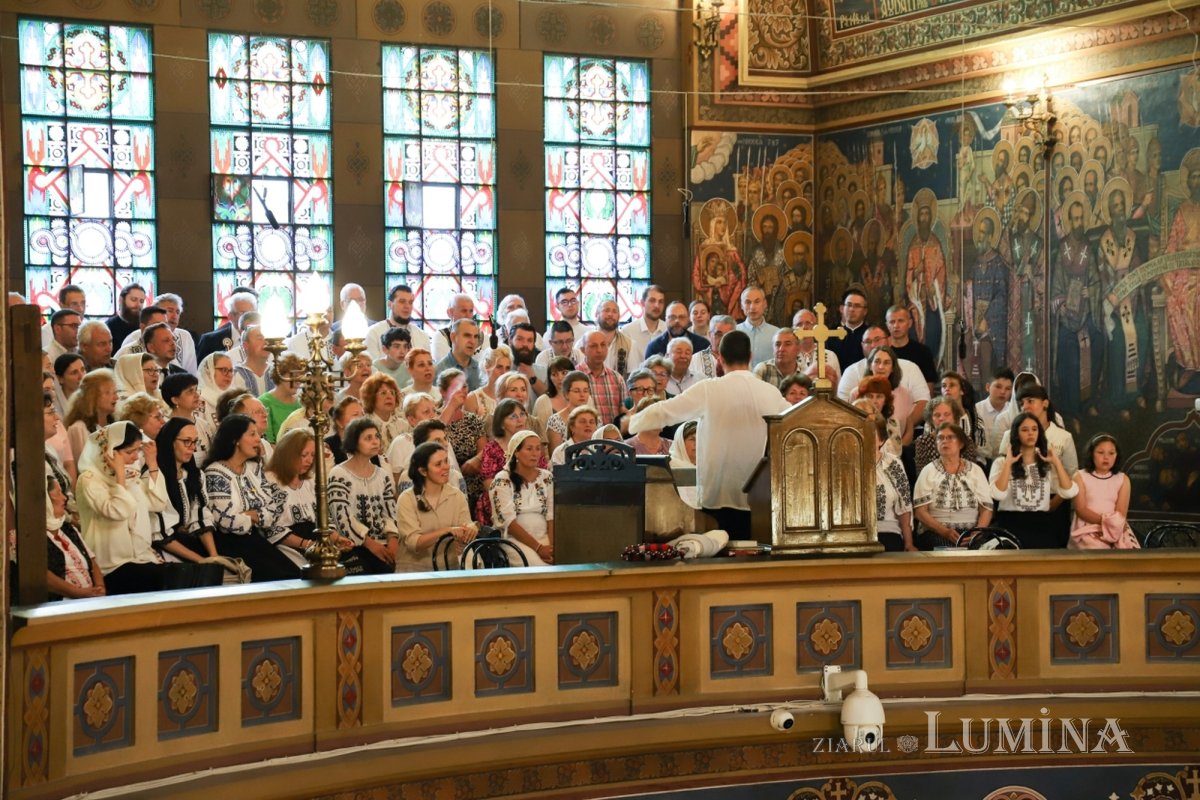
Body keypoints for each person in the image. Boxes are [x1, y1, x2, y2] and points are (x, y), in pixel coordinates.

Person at [628, 330, 790, 532]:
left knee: (717, 551)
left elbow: (667, 410)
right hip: (755, 495)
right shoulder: (770, 393)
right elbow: (794, 421)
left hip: (716, 493)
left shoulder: (709, 389)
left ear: (719, 359)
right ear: (750, 357)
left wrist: (633, 422)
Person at [76, 420, 175, 594]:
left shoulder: (131, 475)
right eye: (130, 452)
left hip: (137, 558)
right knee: (171, 579)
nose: (136, 457)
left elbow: (157, 503)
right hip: (110, 564)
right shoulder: (89, 479)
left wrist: (152, 464)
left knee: (196, 576)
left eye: (138, 450)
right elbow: (117, 511)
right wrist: (120, 475)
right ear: (109, 451)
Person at [202, 414, 302, 582]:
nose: (258, 439)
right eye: (252, 434)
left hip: (257, 538)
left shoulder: (254, 468)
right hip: (232, 544)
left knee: (293, 575)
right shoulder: (216, 472)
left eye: (258, 434)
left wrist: (249, 515)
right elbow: (227, 522)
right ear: (235, 439)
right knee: (281, 578)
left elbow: (273, 509)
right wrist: (257, 516)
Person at [989, 412, 1078, 548]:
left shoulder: (1047, 463)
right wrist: (1008, 463)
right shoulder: (1001, 463)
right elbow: (997, 494)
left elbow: (1069, 492)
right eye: (1025, 430)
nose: (1031, 433)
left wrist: (1056, 461)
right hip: (1009, 525)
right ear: (1016, 434)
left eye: (1034, 429)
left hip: (1041, 525)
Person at [152, 418, 225, 582]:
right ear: (170, 441)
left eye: (195, 442)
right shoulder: (156, 477)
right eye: (186, 442)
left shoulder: (194, 474)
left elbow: (199, 517)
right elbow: (160, 535)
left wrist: (213, 556)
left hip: (185, 538)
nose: (192, 448)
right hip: (162, 545)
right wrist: (201, 560)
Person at [396, 442, 477, 572]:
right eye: (438, 464)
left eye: (446, 461)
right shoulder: (407, 499)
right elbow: (413, 543)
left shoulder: (457, 495)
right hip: (415, 571)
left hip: (451, 568)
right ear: (423, 471)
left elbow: (465, 525)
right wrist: (447, 530)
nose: (446, 467)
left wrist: (470, 529)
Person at [912, 423, 994, 550]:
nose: (945, 441)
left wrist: (976, 533)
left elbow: (986, 509)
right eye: (940, 438)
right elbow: (920, 512)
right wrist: (945, 532)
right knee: (946, 550)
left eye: (950, 437)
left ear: (961, 444)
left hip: (971, 533)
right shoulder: (928, 471)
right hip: (936, 532)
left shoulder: (975, 471)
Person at [490, 430, 555, 566]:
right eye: (529, 449)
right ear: (516, 452)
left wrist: (552, 547)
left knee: (564, 564)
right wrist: (538, 548)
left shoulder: (547, 477)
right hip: (514, 540)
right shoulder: (503, 479)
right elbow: (508, 522)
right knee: (540, 568)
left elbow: (551, 515)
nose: (535, 453)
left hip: (545, 538)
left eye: (538, 449)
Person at [476, 398, 545, 525]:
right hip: (501, 499)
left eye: (522, 414)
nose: (520, 420)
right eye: (513, 416)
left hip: (532, 497)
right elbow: (489, 484)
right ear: (502, 424)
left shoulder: (534, 443)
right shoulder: (492, 448)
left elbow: (543, 475)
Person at [263, 428, 323, 568]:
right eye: (304, 455)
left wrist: (336, 539)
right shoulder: (270, 481)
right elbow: (271, 529)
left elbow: (324, 518)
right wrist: (307, 544)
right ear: (288, 454)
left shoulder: (311, 481)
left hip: (315, 539)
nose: (309, 460)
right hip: (287, 545)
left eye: (313, 455)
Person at [1070, 434, 1140, 550]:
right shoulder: (1080, 476)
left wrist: (1111, 527)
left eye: (1111, 453)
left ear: (1116, 456)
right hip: (1087, 529)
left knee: (1132, 556)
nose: (1106, 457)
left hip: (1116, 528)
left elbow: (1121, 513)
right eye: (1101, 452)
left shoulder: (1123, 479)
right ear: (1091, 454)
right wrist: (1105, 525)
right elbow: (1081, 510)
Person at [44, 476, 107, 600]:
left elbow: (92, 561)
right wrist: (79, 593)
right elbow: (42, 577)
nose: (64, 498)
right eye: (58, 493)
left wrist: (99, 587)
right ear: (45, 501)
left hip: (90, 598)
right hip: (61, 604)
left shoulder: (68, 529)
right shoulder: (34, 536)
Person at [437, 369, 487, 504]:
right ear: (442, 391)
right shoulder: (433, 416)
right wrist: (451, 405)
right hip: (443, 479)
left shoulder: (473, 420)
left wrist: (476, 459)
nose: (462, 391)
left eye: (464, 386)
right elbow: (434, 435)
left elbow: (484, 450)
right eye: (456, 387)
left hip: (473, 482)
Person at [873, 416, 914, 552]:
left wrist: (909, 543)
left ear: (881, 440)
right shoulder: (845, 464)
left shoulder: (893, 463)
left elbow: (904, 505)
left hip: (887, 532)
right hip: (854, 536)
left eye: (870, 434)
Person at [64, 368, 119, 464]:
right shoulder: (79, 428)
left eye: (115, 392)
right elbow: (83, 466)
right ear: (92, 396)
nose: (116, 397)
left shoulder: (115, 424)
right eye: (108, 393)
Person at [366, 283, 431, 360]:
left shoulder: (422, 336)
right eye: (402, 301)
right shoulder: (374, 333)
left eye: (410, 302)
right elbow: (372, 367)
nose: (407, 306)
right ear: (390, 304)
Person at [913, 397, 976, 475]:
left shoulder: (965, 440)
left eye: (947, 414)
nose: (942, 418)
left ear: (955, 417)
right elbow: (922, 473)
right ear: (931, 419)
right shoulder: (923, 442)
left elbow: (972, 471)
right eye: (937, 415)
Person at [197, 288, 257, 362]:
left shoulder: (265, 339)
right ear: (230, 316)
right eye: (243, 313)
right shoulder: (210, 341)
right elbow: (201, 371)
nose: (249, 318)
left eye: (252, 313)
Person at [546, 370, 593, 453]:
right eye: (577, 391)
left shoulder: (595, 419)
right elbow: (554, 455)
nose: (582, 395)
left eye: (585, 391)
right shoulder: (555, 420)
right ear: (566, 394)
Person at [469, 345, 514, 430]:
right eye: (499, 367)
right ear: (487, 366)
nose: (504, 372)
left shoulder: (513, 398)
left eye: (507, 368)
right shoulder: (473, 399)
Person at [644, 301, 709, 359]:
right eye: (672, 317)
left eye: (681, 317)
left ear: (688, 319)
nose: (677, 321)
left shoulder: (703, 345)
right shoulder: (654, 347)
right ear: (665, 320)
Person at [620, 285, 667, 363]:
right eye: (652, 300)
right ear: (642, 303)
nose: (657, 305)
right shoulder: (628, 331)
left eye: (660, 302)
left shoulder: (668, 330)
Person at [975, 367, 1014, 461]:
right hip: (981, 461)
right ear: (988, 387)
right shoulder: (976, 410)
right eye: (998, 387)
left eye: (1008, 388)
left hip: (1007, 460)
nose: (1003, 392)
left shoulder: (1013, 411)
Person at [736, 286, 780, 368]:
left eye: (757, 302)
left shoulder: (776, 334)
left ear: (765, 304)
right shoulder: (734, 332)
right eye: (748, 302)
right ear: (741, 305)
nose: (752, 307)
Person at [361, 372, 407, 451]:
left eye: (392, 393)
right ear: (371, 397)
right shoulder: (363, 425)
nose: (389, 397)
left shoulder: (403, 426)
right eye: (383, 393)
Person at [233, 324, 274, 396]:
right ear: (246, 345)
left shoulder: (277, 372)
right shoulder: (235, 375)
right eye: (260, 338)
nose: (266, 342)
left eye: (267, 338)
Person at [691, 315, 736, 380]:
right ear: (709, 335)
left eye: (728, 335)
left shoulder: (740, 359)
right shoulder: (695, 359)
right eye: (719, 334)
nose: (723, 339)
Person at [668, 420, 701, 509]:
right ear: (680, 443)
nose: (697, 444)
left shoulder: (708, 469)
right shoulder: (670, 467)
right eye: (692, 439)